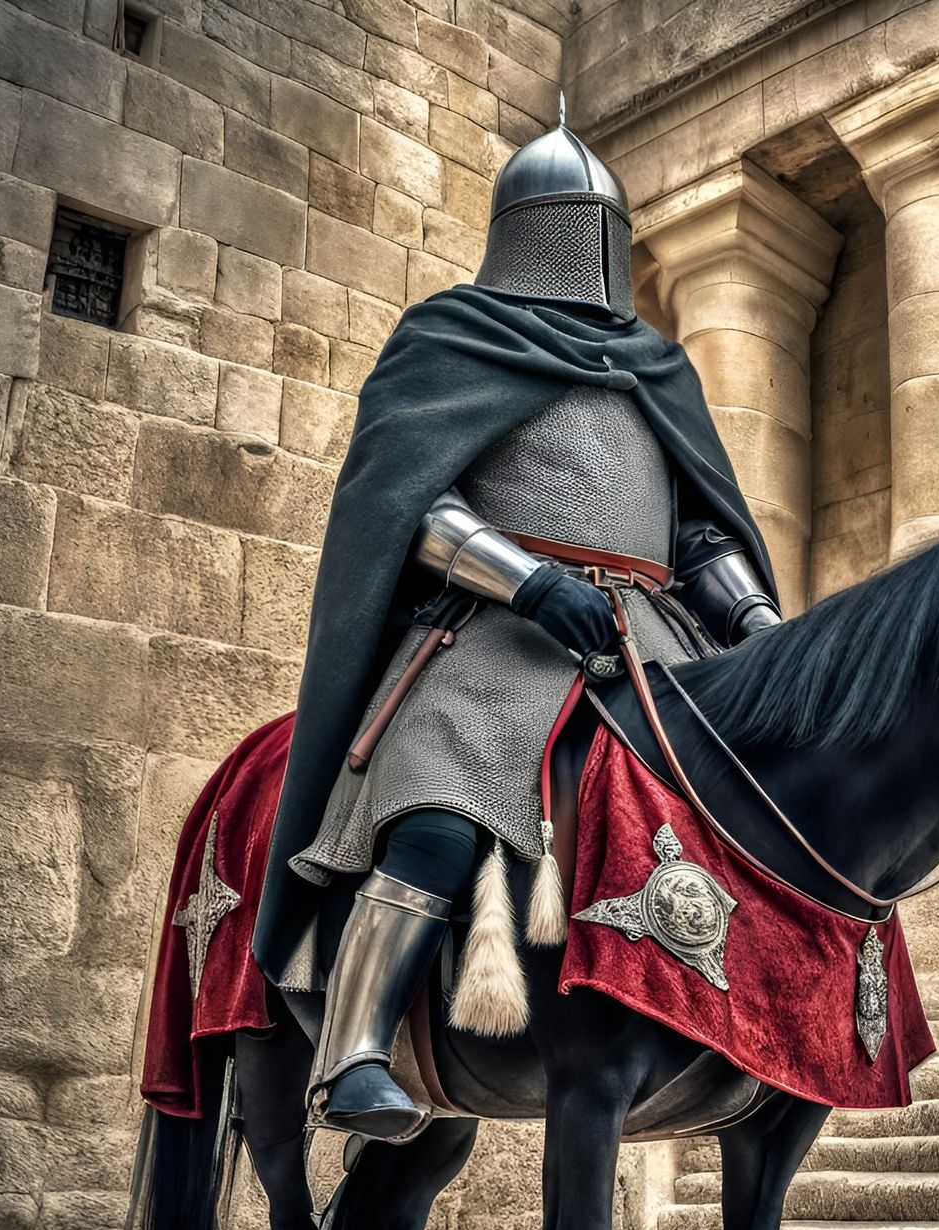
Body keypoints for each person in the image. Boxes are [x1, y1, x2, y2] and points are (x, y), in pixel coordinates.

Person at [251, 112, 781, 1142]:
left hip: (650, 639)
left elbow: (703, 532)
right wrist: (531, 582)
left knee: (756, 807)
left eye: (604, 227)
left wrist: (759, 622)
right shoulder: (450, 336)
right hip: (492, 637)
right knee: (442, 802)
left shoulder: (657, 366)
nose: (591, 246)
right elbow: (412, 505)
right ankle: (351, 1046)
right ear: (530, 231)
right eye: (573, 224)